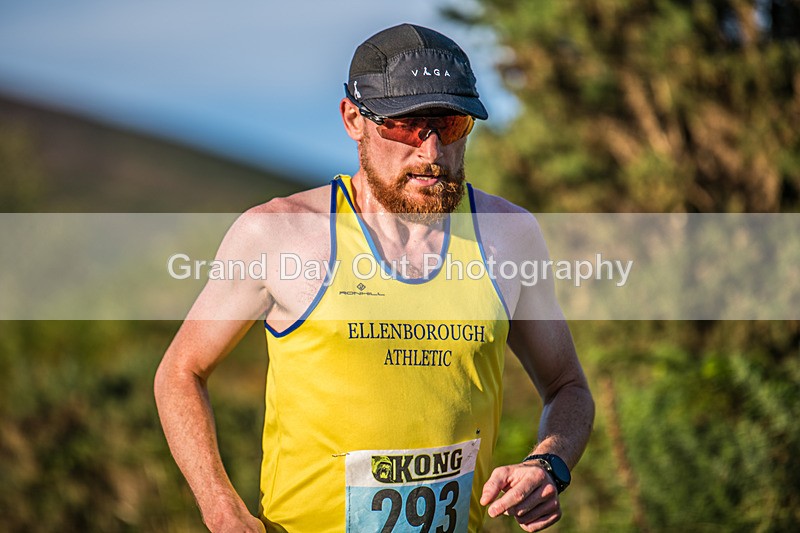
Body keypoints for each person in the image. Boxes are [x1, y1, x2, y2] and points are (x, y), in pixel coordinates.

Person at [155, 23, 594, 533]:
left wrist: (548, 464)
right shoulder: (279, 234)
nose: (431, 152)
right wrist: (221, 507)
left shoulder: (508, 236)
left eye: (450, 125)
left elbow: (567, 386)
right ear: (353, 120)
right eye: (406, 126)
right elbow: (180, 372)